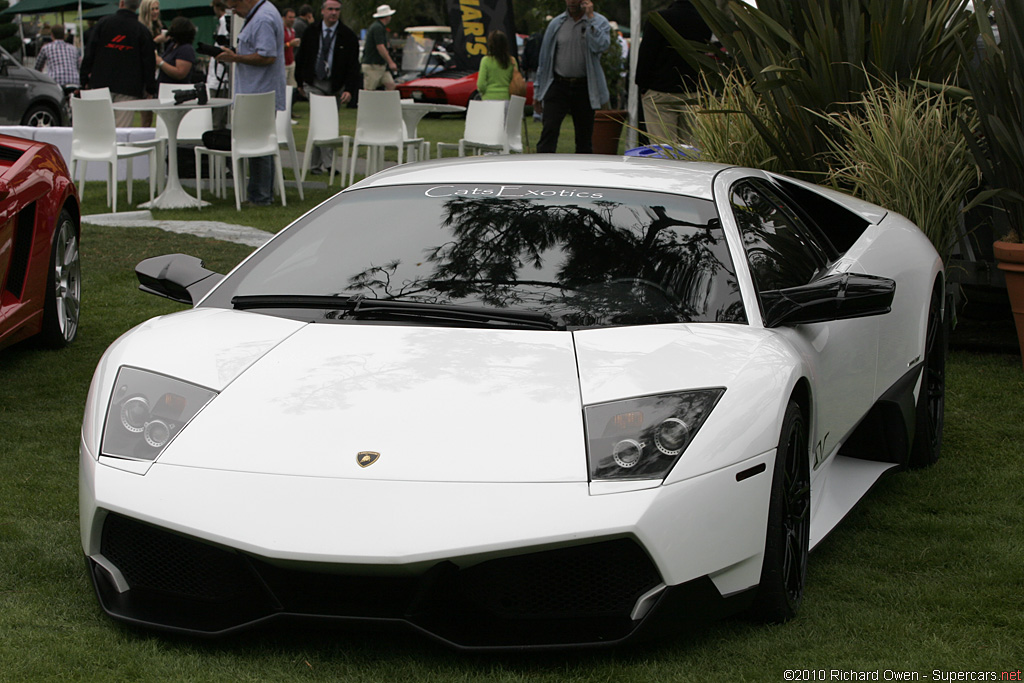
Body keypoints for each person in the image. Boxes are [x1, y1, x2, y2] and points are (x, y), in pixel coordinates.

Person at [214, 0, 286, 206]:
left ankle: (261, 196)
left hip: (259, 92)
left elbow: (267, 56)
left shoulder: (262, 18)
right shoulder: (264, 12)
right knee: (261, 143)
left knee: (258, 145)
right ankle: (260, 193)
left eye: (235, 6)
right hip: (259, 91)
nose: (234, 12)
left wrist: (235, 57)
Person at [534, 0, 611, 154]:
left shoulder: (599, 22)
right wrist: (538, 93)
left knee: (584, 137)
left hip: (584, 87)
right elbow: (544, 60)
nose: (572, 2)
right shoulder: (556, 24)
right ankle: (542, 169)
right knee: (549, 131)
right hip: (558, 84)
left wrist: (590, 19)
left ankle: (582, 173)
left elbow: (601, 46)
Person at [294, 0, 360, 174]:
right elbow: (301, 57)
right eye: (330, 9)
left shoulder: (347, 35)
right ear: (322, 11)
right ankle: (327, 164)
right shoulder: (311, 32)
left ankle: (317, 165)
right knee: (322, 119)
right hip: (314, 82)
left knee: (324, 123)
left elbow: (354, 65)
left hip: (335, 84)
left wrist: (349, 89)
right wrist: (299, 82)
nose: (333, 13)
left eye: (337, 10)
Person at [635, 0, 711, 143]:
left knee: (664, 149)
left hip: (660, 91)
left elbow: (647, 55)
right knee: (692, 148)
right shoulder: (704, 22)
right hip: (692, 91)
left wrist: (642, 84)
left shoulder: (659, 18)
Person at [80, 0, 157, 127]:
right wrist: (150, 88)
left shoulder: (103, 24)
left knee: (98, 128)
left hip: (100, 83)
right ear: (138, 6)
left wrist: (84, 79)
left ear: (121, 3)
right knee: (121, 131)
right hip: (128, 88)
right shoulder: (141, 31)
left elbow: (89, 52)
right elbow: (149, 63)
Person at [137, 0, 167, 126]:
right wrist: (156, 41)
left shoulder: (160, 26)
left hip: (160, 69)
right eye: (153, 9)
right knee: (146, 112)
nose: (155, 12)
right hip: (145, 72)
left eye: (157, 8)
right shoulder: (141, 28)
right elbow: (142, 50)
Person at [360, 3, 397, 91]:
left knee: (391, 85)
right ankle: (366, 104)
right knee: (369, 90)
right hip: (373, 65)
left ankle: (386, 104)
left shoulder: (379, 27)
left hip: (381, 65)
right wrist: (390, 62)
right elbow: (380, 47)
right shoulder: (377, 28)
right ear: (387, 16)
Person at [206, 0, 230, 129]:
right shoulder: (224, 22)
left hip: (221, 77)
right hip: (219, 75)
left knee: (216, 120)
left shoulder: (224, 21)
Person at [475, 30, 516, 103]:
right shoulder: (512, 61)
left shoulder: (486, 60)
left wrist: (484, 93)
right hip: (507, 98)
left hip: (489, 98)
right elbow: (515, 81)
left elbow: (480, 84)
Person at [155, 17, 197, 85]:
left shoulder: (186, 49)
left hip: (176, 90)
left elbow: (180, 73)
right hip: (164, 87)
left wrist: (161, 63)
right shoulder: (173, 45)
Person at [282, 7, 299, 87]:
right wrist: (289, 44)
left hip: (291, 62)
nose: (292, 19)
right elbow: (277, 48)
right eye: (290, 17)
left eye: (293, 17)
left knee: (292, 87)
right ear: (284, 18)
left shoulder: (292, 30)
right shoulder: (280, 30)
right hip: (283, 64)